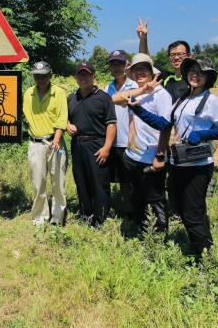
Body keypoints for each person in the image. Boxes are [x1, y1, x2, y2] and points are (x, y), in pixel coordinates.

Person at [131, 57, 218, 256]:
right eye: (192, 71)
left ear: (208, 77)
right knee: (181, 207)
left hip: (198, 165)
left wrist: (203, 134)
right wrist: (137, 109)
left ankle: (203, 256)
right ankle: (199, 246)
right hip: (179, 162)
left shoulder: (211, 101)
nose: (195, 75)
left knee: (192, 212)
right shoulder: (183, 97)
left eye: (201, 72)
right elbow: (163, 124)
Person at [112, 53, 173, 235]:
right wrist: (143, 90)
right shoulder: (136, 93)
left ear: (151, 71)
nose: (139, 73)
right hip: (132, 156)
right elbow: (115, 99)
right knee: (137, 196)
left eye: (143, 69)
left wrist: (160, 155)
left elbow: (166, 126)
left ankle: (159, 235)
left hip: (151, 156)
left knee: (155, 198)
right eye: (136, 70)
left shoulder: (162, 95)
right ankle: (140, 231)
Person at [66, 61, 117, 226]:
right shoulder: (71, 99)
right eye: (80, 74)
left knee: (99, 183)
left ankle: (100, 218)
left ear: (93, 76)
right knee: (81, 181)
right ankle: (85, 214)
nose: (83, 77)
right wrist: (67, 125)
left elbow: (111, 124)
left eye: (87, 74)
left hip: (97, 145)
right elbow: (62, 116)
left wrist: (107, 148)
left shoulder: (103, 98)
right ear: (76, 77)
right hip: (78, 145)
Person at [22, 61, 68, 226]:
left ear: (50, 75)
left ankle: (57, 217)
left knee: (58, 182)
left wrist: (55, 140)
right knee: (38, 182)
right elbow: (26, 116)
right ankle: (40, 217)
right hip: (35, 144)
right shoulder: (28, 93)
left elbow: (62, 118)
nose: (40, 79)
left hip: (55, 142)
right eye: (37, 76)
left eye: (44, 75)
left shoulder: (59, 93)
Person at [104, 50, 138, 219]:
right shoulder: (107, 87)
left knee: (132, 180)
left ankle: (136, 212)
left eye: (120, 63)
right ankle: (126, 211)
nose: (116, 67)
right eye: (113, 64)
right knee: (120, 180)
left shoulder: (135, 86)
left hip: (130, 141)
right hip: (113, 142)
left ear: (127, 65)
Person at [136, 18, 190, 102]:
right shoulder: (167, 78)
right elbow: (146, 60)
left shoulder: (193, 80)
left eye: (180, 54)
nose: (176, 58)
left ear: (189, 56)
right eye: (172, 55)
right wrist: (143, 38)